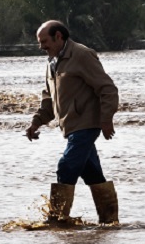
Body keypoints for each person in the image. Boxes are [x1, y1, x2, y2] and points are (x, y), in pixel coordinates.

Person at [24, 20, 120, 226]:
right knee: (93, 174)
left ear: (59, 36)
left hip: (86, 125)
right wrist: (36, 123)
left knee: (66, 167)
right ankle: (110, 222)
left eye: (44, 41)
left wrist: (106, 119)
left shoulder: (82, 55)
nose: (41, 47)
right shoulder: (52, 62)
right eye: (40, 42)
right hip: (71, 127)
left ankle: (57, 221)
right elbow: (49, 99)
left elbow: (107, 89)